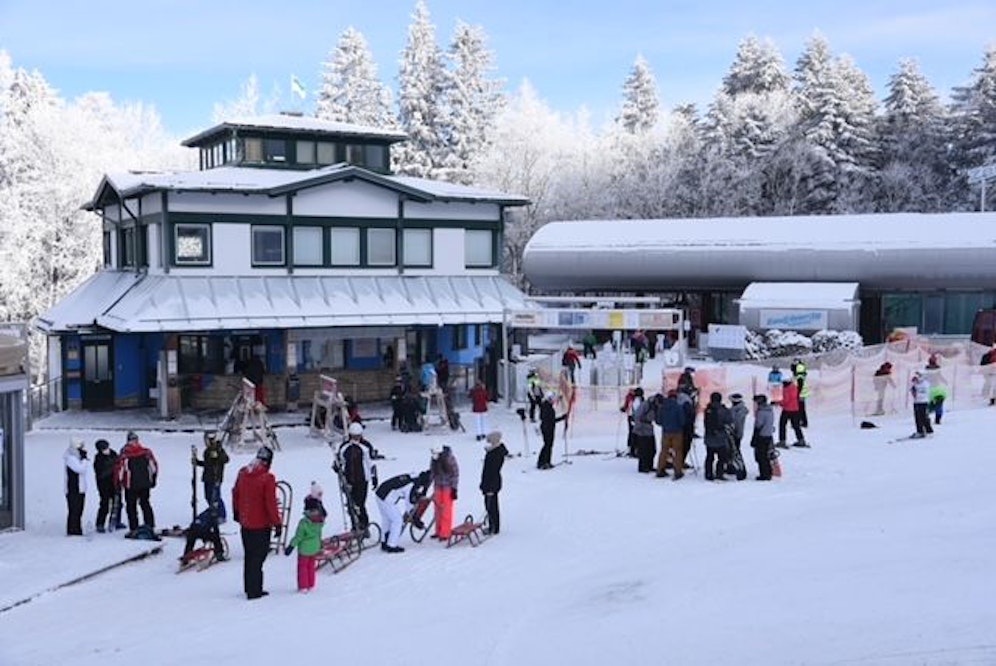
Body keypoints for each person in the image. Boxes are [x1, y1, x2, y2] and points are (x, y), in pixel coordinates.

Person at [232, 446, 282, 600]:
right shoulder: (267, 478)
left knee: (249, 556)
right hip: (261, 525)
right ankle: (256, 590)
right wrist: (277, 523)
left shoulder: (243, 473)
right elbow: (270, 503)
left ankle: (249, 587)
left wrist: (237, 512)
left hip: (246, 523)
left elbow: (235, 493)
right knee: (258, 558)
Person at [375, 470, 431, 553]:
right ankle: (392, 545)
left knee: (387, 519)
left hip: (380, 493)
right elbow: (409, 503)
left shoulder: (414, 476)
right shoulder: (412, 485)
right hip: (386, 498)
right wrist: (415, 518)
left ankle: (384, 542)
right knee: (397, 521)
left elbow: (406, 490)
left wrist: (418, 494)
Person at [337, 422, 378, 534]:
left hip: (362, 480)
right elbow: (340, 460)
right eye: (354, 436)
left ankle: (364, 525)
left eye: (358, 436)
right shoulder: (345, 447)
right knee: (351, 505)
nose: (356, 438)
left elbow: (371, 463)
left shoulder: (366, 446)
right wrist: (337, 466)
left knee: (360, 504)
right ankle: (354, 526)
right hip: (348, 480)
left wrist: (374, 477)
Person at [114, 431, 159, 533]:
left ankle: (134, 527)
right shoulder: (146, 452)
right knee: (145, 504)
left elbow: (119, 469)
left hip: (130, 484)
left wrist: (118, 483)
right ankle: (149, 524)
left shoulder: (125, 453)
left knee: (131, 506)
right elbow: (154, 466)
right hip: (144, 483)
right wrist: (153, 479)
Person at [284, 502, 324, 592]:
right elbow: (319, 535)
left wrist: (291, 546)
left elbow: (299, 536)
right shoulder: (319, 522)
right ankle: (311, 584)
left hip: (304, 550)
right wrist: (320, 545)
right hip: (314, 548)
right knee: (311, 566)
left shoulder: (304, 523)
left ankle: (303, 586)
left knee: (302, 567)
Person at [193, 432, 230, 522]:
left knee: (215, 497)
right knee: (208, 496)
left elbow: (225, 459)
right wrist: (197, 462)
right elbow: (208, 464)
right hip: (207, 477)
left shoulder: (218, 449)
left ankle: (221, 515)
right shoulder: (208, 451)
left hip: (215, 478)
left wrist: (218, 456)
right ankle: (214, 512)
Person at [93, 439, 124, 532]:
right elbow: (101, 473)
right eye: (104, 448)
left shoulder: (113, 454)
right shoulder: (98, 459)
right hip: (104, 485)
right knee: (104, 504)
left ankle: (116, 521)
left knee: (118, 503)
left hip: (115, 482)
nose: (106, 449)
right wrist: (112, 466)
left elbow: (119, 464)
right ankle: (100, 524)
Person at [480, 431, 507, 534]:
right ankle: (493, 525)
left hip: (492, 484)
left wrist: (489, 486)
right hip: (490, 482)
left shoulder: (495, 454)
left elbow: (492, 471)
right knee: (490, 505)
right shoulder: (494, 451)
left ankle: (494, 527)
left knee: (491, 506)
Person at [655, 390, 686, 479]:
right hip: (677, 432)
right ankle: (678, 471)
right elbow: (682, 421)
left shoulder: (662, 407)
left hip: (666, 432)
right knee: (678, 452)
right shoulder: (678, 407)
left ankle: (660, 469)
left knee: (664, 451)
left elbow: (658, 421)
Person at [430, 446, 459, 540]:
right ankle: (438, 531)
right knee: (437, 509)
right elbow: (432, 473)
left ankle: (445, 533)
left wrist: (454, 488)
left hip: (448, 486)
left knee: (446, 510)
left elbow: (455, 474)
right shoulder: (434, 459)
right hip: (437, 486)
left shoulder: (450, 458)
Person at [703, 392, 733, 481]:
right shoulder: (724, 410)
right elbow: (729, 421)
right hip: (720, 438)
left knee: (709, 457)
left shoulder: (708, 410)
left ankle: (708, 474)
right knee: (721, 457)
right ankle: (719, 473)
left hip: (709, 437)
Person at [64, 438, 89, 536]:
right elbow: (80, 469)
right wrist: (84, 460)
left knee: (79, 510)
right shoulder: (70, 458)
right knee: (74, 510)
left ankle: (77, 529)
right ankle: (73, 530)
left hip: (80, 488)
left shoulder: (76, 457)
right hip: (73, 489)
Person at [537, 392, 567, 470]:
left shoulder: (548, 406)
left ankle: (546, 461)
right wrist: (561, 418)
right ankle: (543, 462)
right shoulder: (546, 407)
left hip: (549, 427)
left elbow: (552, 420)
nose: (553, 401)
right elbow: (549, 419)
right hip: (547, 428)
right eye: (552, 399)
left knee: (548, 445)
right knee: (547, 445)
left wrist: (562, 418)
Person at [632, 393, 659, 473]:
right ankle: (643, 467)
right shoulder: (645, 405)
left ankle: (649, 466)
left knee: (652, 449)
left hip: (649, 429)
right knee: (644, 450)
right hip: (642, 430)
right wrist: (639, 428)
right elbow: (637, 415)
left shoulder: (655, 407)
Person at [751, 395, 775, 481]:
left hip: (761, 436)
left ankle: (764, 474)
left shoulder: (761, 412)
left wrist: (754, 438)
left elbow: (758, 425)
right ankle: (768, 471)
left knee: (761, 456)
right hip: (768, 435)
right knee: (765, 455)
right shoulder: (770, 410)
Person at [777, 379, 807, 448]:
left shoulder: (786, 388)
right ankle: (801, 439)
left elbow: (786, 400)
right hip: (795, 409)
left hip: (787, 409)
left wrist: (778, 403)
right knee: (796, 425)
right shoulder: (794, 387)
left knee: (782, 424)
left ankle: (782, 441)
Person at [621, 386, 645, 458]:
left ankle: (632, 448)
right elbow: (636, 409)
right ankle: (634, 449)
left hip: (632, 417)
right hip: (635, 418)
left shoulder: (632, 398)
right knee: (635, 434)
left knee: (632, 433)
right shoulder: (637, 400)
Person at [910, 371, 933, 438]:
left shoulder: (925, 384)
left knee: (924, 417)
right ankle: (920, 431)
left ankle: (929, 431)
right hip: (916, 402)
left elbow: (923, 393)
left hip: (923, 402)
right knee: (917, 417)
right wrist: (913, 389)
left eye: (918, 376)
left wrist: (916, 390)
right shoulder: (915, 383)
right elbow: (913, 391)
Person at [728, 393, 749, 463]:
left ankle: (736, 465)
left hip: (736, 433)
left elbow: (736, 422)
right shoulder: (735, 409)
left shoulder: (739, 410)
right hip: (735, 432)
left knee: (735, 450)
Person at [792, 359, 809, 428]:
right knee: (801, 409)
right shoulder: (801, 376)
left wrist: (797, 395)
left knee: (799, 409)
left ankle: (800, 422)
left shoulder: (799, 377)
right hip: (802, 395)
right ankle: (803, 422)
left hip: (800, 395)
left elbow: (799, 387)